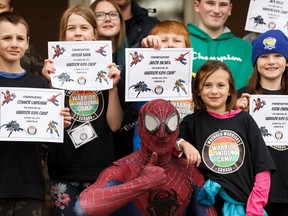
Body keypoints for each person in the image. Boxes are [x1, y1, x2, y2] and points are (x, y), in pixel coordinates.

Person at [41, 5, 123, 216]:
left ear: (95, 33)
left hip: (100, 167)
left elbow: (115, 124)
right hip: (64, 166)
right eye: (71, 28)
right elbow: (48, 125)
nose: (78, 33)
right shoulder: (52, 71)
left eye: (84, 27)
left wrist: (113, 88)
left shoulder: (107, 69)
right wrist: (49, 84)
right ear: (63, 34)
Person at [74, 99, 217, 216]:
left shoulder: (189, 171)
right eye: (152, 124)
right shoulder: (124, 169)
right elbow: (84, 207)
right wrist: (143, 183)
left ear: (177, 130)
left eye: (170, 125)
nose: (161, 133)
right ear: (140, 128)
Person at [176, 60, 276, 215]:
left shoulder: (245, 120)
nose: (214, 91)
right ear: (197, 91)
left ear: (230, 90)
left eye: (220, 85)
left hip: (246, 206)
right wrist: (183, 144)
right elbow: (168, 143)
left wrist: (255, 206)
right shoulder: (191, 122)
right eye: (207, 85)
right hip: (206, 205)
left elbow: (262, 167)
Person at [0, 11, 71, 216]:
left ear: (27, 42)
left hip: (29, 185)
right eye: (6, 37)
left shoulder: (38, 83)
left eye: (20, 38)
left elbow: (46, 135)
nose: (14, 43)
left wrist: (60, 123)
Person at [237, 29, 288, 216]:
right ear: (255, 61)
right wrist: (235, 113)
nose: (271, 62)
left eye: (278, 55)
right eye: (264, 56)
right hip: (255, 193)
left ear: (287, 61)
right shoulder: (241, 97)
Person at [133, 20, 194, 151]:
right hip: (149, 150)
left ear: (187, 48)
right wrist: (145, 49)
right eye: (163, 40)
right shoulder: (144, 76)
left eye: (177, 41)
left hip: (186, 151)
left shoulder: (195, 80)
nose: (170, 45)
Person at [90, 0, 138, 159]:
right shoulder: (77, 59)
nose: (108, 19)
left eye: (113, 14)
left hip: (125, 146)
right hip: (91, 146)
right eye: (100, 15)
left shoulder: (135, 57)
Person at [187, 0, 254, 90]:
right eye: (210, 3)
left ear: (230, 9)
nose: (216, 10)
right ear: (197, 5)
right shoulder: (180, 43)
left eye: (223, 5)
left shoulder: (246, 49)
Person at [0, 0, 44, 75]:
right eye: (6, 38)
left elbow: (39, 81)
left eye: (0, 6)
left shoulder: (28, 52)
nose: (14, 45)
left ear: (10, 10)